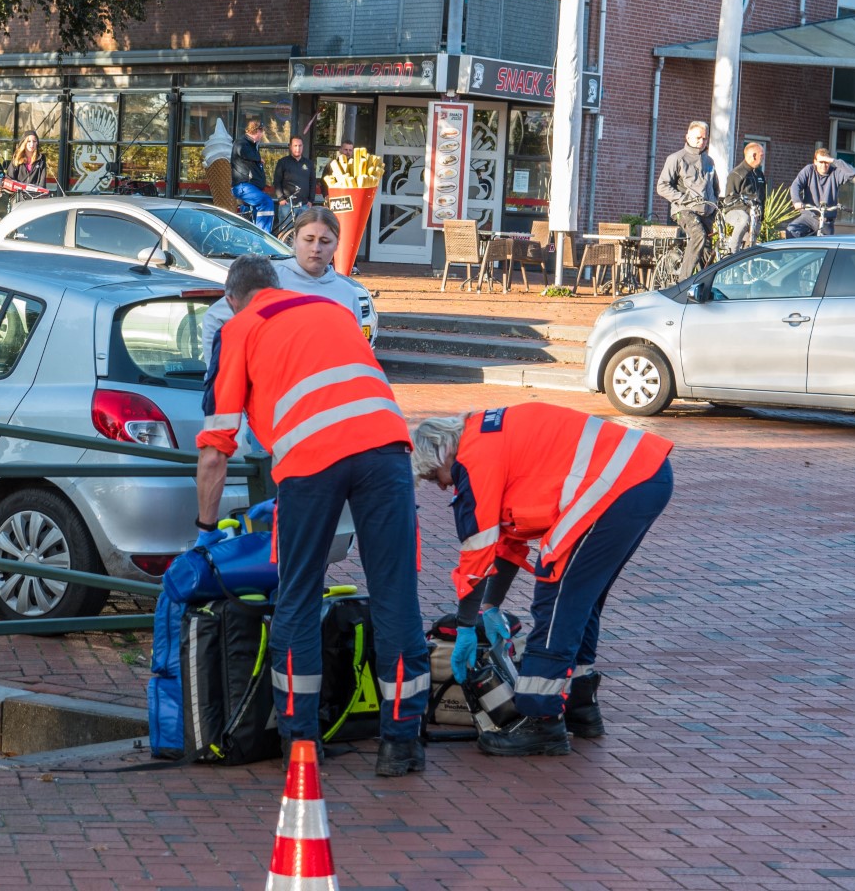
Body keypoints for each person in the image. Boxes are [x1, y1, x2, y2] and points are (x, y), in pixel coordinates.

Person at [195, 254, 430, 777]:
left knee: (298, 595)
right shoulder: (333, 310)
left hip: (310, 459)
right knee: (395, 596)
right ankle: (401, 742)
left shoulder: (238, 329)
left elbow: (216, 449)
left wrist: (206, 531)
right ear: (277, 285)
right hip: (387, 448)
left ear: (232, 299)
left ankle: (301, 742)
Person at [412, 404, 673, 756]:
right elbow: (506, 541)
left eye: (433, 477)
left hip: (619, 482)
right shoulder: (487, 438)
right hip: (642, 475)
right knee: (581, 597)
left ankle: (541, 720)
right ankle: (580, 707)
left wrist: (466, 625)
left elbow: (477, 549)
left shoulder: (475, 458)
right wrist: (489, 605)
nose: (442, 487)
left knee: (557, 595)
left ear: (443, 452)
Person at [197, 207, 373, 354]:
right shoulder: (268, 280)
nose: (316, 248)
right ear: (295, 240)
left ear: (337, 244)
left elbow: (353, 352)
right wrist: (218, 375)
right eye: (309, 239)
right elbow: (214, 319)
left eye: (325, 241)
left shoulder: (347, 293)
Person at [655, 121, 718, 280]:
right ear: (688, 137)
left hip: (707, 212)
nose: (701, 142)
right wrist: (684, 199)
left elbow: (715, 187)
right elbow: (662, 186)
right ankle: (683, 283)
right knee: (698, 235)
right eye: (698, 138)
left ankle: (704, 287)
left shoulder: (709, 161)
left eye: (704, 138)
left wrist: (715, 205)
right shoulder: (676, 158)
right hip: (684, 211)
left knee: (707, 252)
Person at [783, 147, 855, 238]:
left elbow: (852, 172)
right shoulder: (809, 170)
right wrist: (797, 201)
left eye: (826, 162)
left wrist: (833, 160)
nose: (824, 165)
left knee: (827, 247)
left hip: (827, 220)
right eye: (821, 162)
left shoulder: (835, 173)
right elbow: (796, 185)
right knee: (792, 230)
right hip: (809, 217)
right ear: (815, 161)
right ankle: (798, 252)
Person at [231, 117, 276, 233]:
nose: (262, 135)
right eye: (262, 132)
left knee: (250, 218)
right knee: (266, 202)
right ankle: (263, 237)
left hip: (250, 187)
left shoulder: (252, 145)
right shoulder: (242, 142)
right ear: (258, 131)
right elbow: (240, 150)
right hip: (244, 187)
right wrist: (258, 158)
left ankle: (249, 239)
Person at [722, 141, 768, 253]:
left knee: (754, 231)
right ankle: (733, 253)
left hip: (754, 215)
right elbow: (729, 199)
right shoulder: (737, 174)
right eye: (761, 155)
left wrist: (761, 216)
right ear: (754, 156)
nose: (763, 158)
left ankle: (747, 260)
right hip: (735, 213)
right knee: (744, 219)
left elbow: (762, 197)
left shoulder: (759, 174)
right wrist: (747, 209)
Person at [273, 136, 324, 208]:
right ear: (290, 147)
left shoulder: (309, 163)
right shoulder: (282, 162)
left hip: (304, 205)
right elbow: (277, 181)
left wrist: (311, 200)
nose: (298, 148)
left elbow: (312, 182)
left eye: (300, 146)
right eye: (295, 146)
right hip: (287, 204)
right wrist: (280, 198)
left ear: (303, 146)